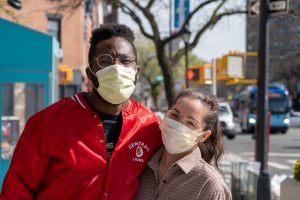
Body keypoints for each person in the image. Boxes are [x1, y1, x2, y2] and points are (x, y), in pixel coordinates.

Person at [0, 24, 162, 200]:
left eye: (125, 60)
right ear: (90, 74)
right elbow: (16, 190)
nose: (117, 68)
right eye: (105, 61)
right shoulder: (47, 123)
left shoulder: (150, 126)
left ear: (136, 72)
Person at [135, 88, 231, 200]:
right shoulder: (140, 164)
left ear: (203, 136)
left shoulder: (209, 185)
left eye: (190, 123)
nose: (177, 125)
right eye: (175, 115)